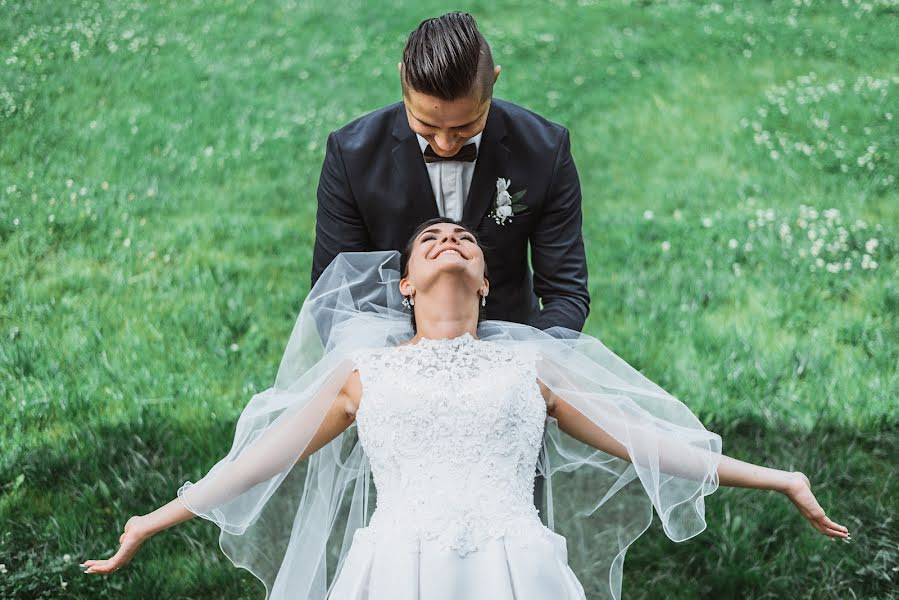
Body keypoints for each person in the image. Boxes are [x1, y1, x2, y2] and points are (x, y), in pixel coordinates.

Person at [82, 219, 849, 600]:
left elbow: (643, 442)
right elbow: (265, 456)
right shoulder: (362, 370)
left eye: (464, 240)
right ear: (406, 287)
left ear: (485, 282)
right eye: (429, 241)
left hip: (513, 568)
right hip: (393, 571)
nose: (448, 238)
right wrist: (155, 518)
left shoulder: (532, 364)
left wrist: (777, 476)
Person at [313, 10, 590, 514]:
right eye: (426, 126)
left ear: (495, 84)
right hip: (402, 382)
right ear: (403, 79)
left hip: (506, 387)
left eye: (465, 127)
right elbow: (335, 298)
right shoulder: (352, 155)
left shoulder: (545, 150)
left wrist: (523, 375)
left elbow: (566, 292)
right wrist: (404, 374)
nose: (444, 143)